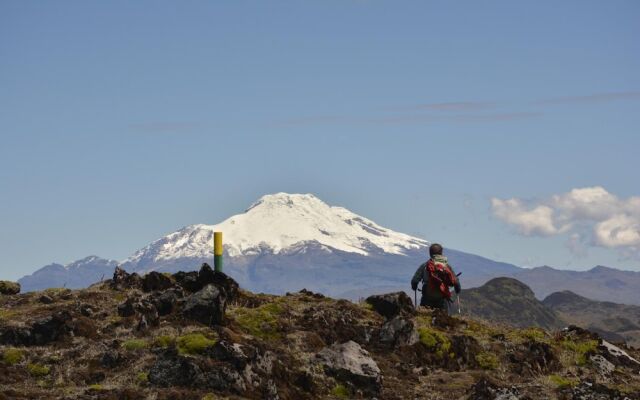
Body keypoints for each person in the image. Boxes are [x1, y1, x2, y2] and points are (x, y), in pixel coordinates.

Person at [411, 243, 461, 311]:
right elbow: (456, 282)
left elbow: (414, 281)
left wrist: (414, 287)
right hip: (442, 300)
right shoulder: (446, 266)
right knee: (442, 319)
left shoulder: (425, 265)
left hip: (427, 299)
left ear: (430, 253)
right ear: (441, 253)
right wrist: (457, 290)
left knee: (425, 316)